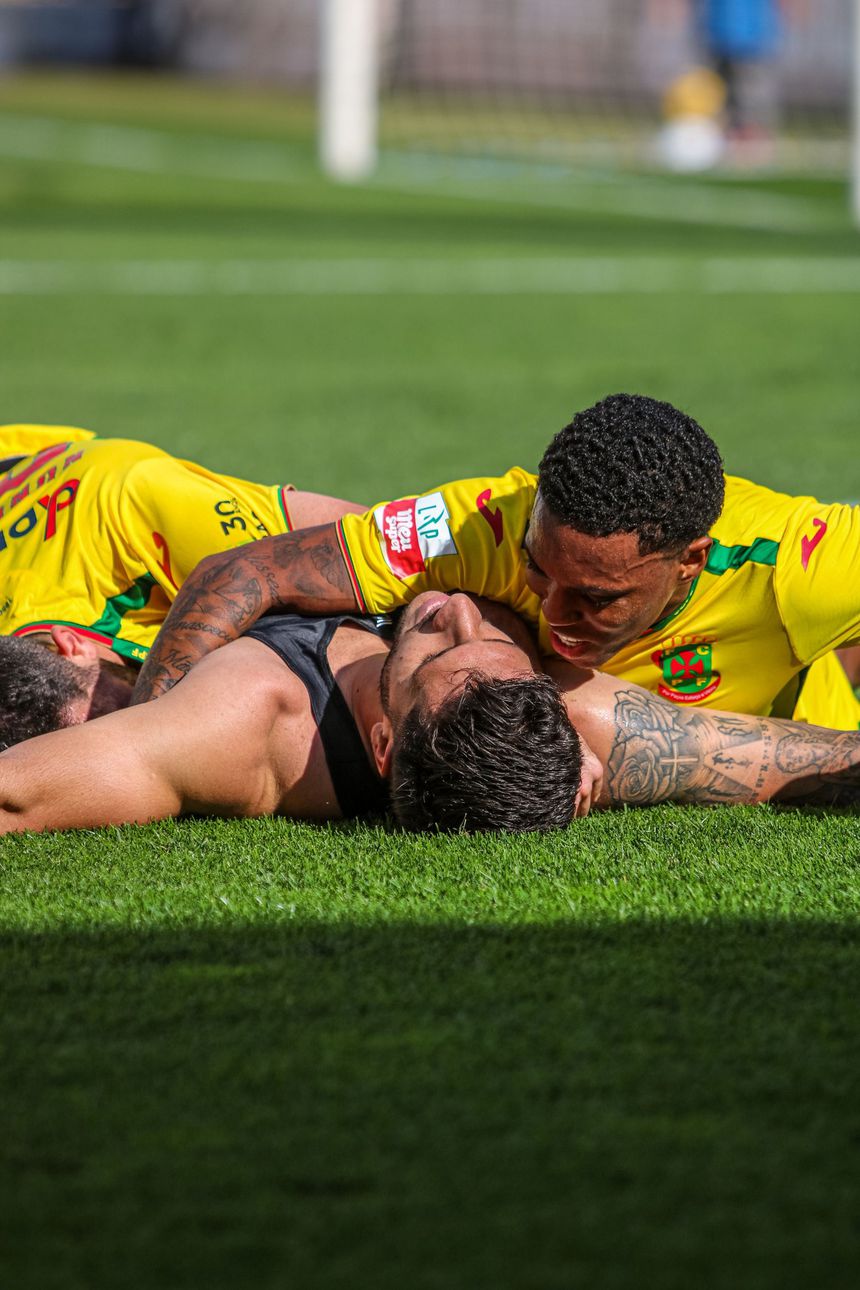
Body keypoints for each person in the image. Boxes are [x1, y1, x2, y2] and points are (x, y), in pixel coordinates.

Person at [132, 394, 860, 736]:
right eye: (538, 572)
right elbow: (244, 573)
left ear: (689, 562)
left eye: (597, 597)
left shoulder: (794, 564)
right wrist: (152, 729)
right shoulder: (482, 523)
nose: (554, 613)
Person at [1, 592, 858, 837]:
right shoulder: (576, 723)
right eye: (499, 642)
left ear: (383, 744)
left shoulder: (249, 719)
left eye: (439, 651)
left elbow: (20, 792)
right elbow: (824, 762)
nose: (461, 612)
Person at [0, 423, 364, 745]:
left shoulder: (136, 510)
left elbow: (369, 540)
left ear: (71, 646)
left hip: (96, 481)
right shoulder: (18, 688)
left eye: (104, 717)